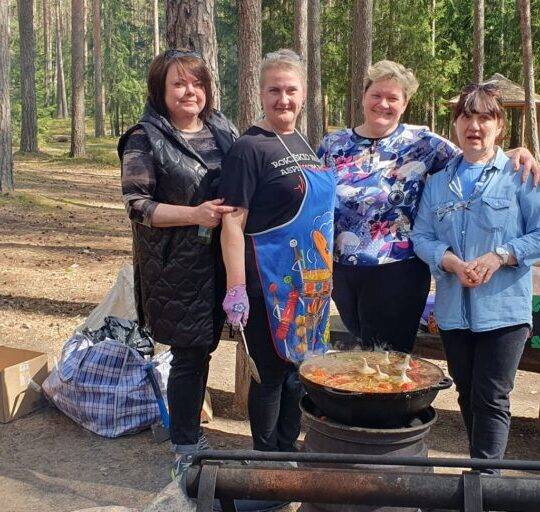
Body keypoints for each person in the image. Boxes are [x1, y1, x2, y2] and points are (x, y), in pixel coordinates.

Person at [318, 60, 539, 353]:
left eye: (393, 98)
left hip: (398, 272)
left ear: (405, 103)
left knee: (388, 359)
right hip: (342, 271)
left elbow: (473, 156)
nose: (383, 104)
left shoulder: (422, 142)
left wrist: (516, 153)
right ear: (363, 96)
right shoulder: (333, 144)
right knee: (359, 354)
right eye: (376, 95)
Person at [117, 49, 238, 477]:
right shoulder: (144, 137)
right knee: (191, 352)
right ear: (161, 90)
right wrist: (194, 214)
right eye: (179, 83)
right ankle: (186, 443)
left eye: (197, 82)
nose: (190, 91)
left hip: (226, 257)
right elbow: (137, 205)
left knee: (208, 345)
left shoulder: (222, 127)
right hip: (177, 264)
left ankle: (189, 429)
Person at [411, 82, 540, 471]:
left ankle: (486, 478)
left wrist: (500, 256)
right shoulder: (438, 183)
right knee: (467, 393)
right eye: (467, 116)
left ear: (500, 125)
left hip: (504, 311)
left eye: (485, 117)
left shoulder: (520, 175)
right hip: (454, 312)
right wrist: (450, 261)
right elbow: (421, 236)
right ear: (455, 124)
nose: (475, 126)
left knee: (492, 396)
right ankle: (480, 476)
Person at [219, 49, 335, 453]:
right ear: (260, 94)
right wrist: (236, 288)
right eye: (274, 91)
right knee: (269, 375)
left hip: (309, 282)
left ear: (303, 94)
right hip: (268, 283)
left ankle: (287, 450)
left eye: (290, 90)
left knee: (296, 372)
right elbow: (232, 223)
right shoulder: (248, 148)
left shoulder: (301, 140)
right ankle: (267, 459)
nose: (283, 99)